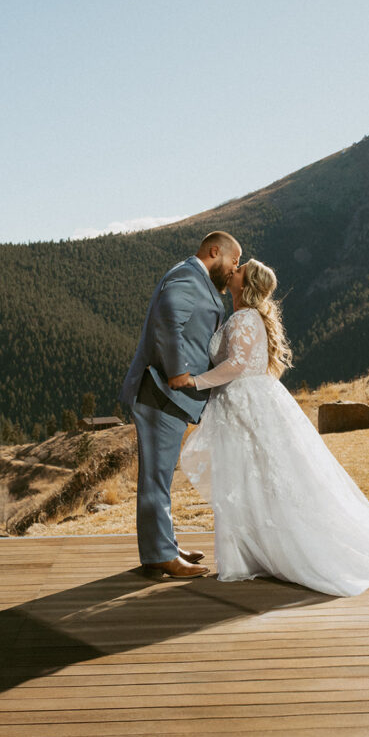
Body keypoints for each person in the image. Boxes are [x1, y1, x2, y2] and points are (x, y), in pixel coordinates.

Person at [179, 259, 369, 596]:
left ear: (246, 284)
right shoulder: (249, 317)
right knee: (254, 478)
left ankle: (249, 557)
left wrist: (195, 381)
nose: (233, 270)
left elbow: (236, 365)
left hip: (243, 405)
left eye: (239, 270)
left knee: (243, 478)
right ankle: (250, 554)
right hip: (254, 402)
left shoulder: (242, 318)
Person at [119, 231, 241, 579]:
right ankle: (160, 556)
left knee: (160, 476)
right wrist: (179, 372)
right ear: (214, 251)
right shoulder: (188, 276)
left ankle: (165, 546)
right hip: (160, 391)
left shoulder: (196, 277)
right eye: (233, 260)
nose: (234, 268)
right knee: (155, 477)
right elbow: (169, 319)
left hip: (166, 395)